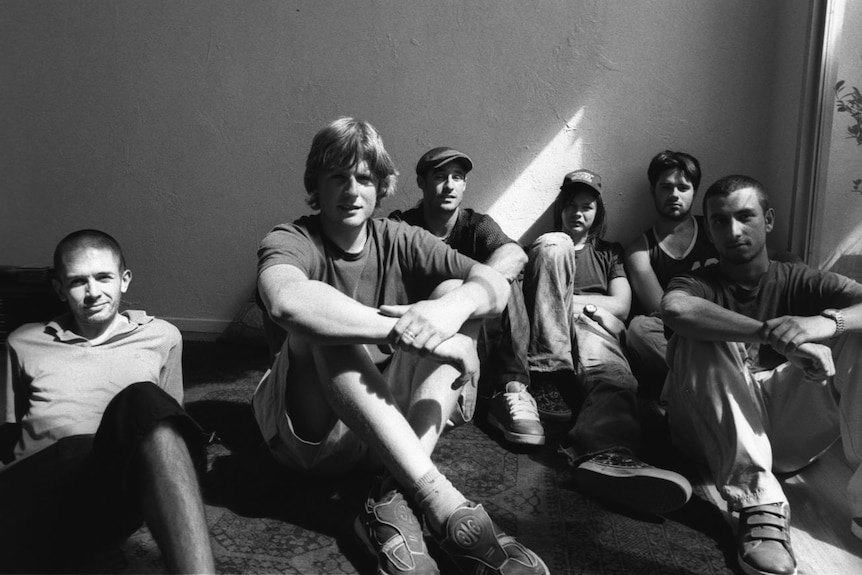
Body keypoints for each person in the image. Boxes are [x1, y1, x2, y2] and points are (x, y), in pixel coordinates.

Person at [252, 118, 548, 575]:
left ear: (381, 186)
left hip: (384, 434)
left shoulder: (398, 237)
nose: (352, 190)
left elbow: (494, 283)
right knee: (322, 324)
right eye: (337, 177)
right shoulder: (293, 238)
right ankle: (440, 501)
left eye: (364, 178)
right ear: (316, 183)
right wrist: (403, 332)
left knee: (455, 288)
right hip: (310, 436)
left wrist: (447, 316)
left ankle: (390, 494)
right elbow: (285, 301)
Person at [661, 175, 862, 575]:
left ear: (767, 220)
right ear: (711, 232)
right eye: (719, 221)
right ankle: (761, 505)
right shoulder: (698, 281)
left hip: (781, 431)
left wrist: (828, 323)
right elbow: (676, 310)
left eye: (745, 216)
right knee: (702, 334)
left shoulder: (800, 278)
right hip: (705, 432)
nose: (733, 230)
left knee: (858, 334)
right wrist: (771, 332)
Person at [0, 229, 214, 574]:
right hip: (34, 487)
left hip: (105, 485)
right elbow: (8, 435)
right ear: (59, 289)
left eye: (103, 277)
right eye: (77, 282)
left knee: (146, 405)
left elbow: (169, 432)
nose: (93, 292)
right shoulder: (22, 342)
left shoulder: (162, 337)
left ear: (124, 280)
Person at [522, 169, 692, 515]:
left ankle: (608, 455)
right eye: (571, 205)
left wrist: (564, 302)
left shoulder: (609, 253)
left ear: (598, 212)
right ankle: (546, 378)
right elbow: (532, 302)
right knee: (556, 244)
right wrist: (556, 305)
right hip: (545, 336)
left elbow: (621, 305)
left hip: (590, 323)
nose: (578, 213)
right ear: (560, 208)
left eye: (587, 206)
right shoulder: (542, 248)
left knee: (614, 375)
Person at [389, 147, 543, 446]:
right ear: (421, 182)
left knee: (502, 279)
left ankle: (511, 391)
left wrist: (465, 296)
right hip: (422, 345)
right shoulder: (403, 226)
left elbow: (514, 254)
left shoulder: (476, 225)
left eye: (457, 177)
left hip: (482, 343)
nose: (449, 185)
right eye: (440, 177)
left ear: (465, 184)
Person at [623, 151, 718, 397]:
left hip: (727, 325)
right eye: (666, 187)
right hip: (679, 339)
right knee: (639, 329)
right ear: (653, 190)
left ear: (694, 192)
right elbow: (665, 311)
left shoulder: (714, 229)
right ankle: (708, 382)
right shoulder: (640, 249)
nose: (674, 194)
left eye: (683, 187)